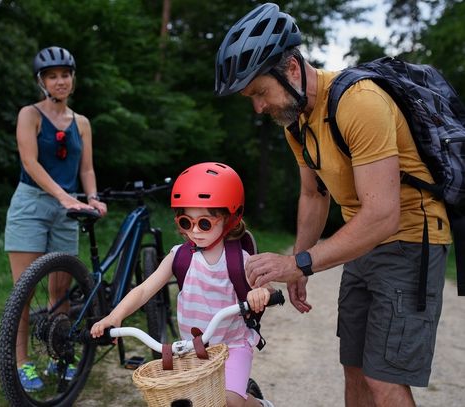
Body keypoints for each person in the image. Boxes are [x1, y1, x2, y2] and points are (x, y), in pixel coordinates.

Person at [215, 3, 451, 407]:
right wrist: (299, 261)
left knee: (383, 378)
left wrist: (299, 264)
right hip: (363, 242)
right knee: (355, 367)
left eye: (259, 93)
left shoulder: (359, 102)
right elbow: (314, 194)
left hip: (410, 241)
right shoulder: (297, 122)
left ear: (290, 69)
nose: (257, 107)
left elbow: (382, 214)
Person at [91, 162, 275, 407]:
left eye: (205, 223)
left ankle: (261, 405)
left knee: (229, 402)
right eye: (187, 223)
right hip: (193, 350)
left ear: (229, 218)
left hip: (232, 346)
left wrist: (261, 293)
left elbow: (268, 288)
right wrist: (115, 316)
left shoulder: (238, 259)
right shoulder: (180, 256)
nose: (195, 231)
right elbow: (145, 289)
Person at [4, 45, 107, 392]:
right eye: (52, 76)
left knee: (60, 291)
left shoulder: (82, 123)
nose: (60, 81)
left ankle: (58, 353)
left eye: (65, 74)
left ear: (72, 79)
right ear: (42, 81)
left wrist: (91, 197)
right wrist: (64, 195)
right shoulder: (29, 115)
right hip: (31, 206)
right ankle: (21, 363)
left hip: (69, 209)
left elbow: (87, 167)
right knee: (24, 289)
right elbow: (30, 163)